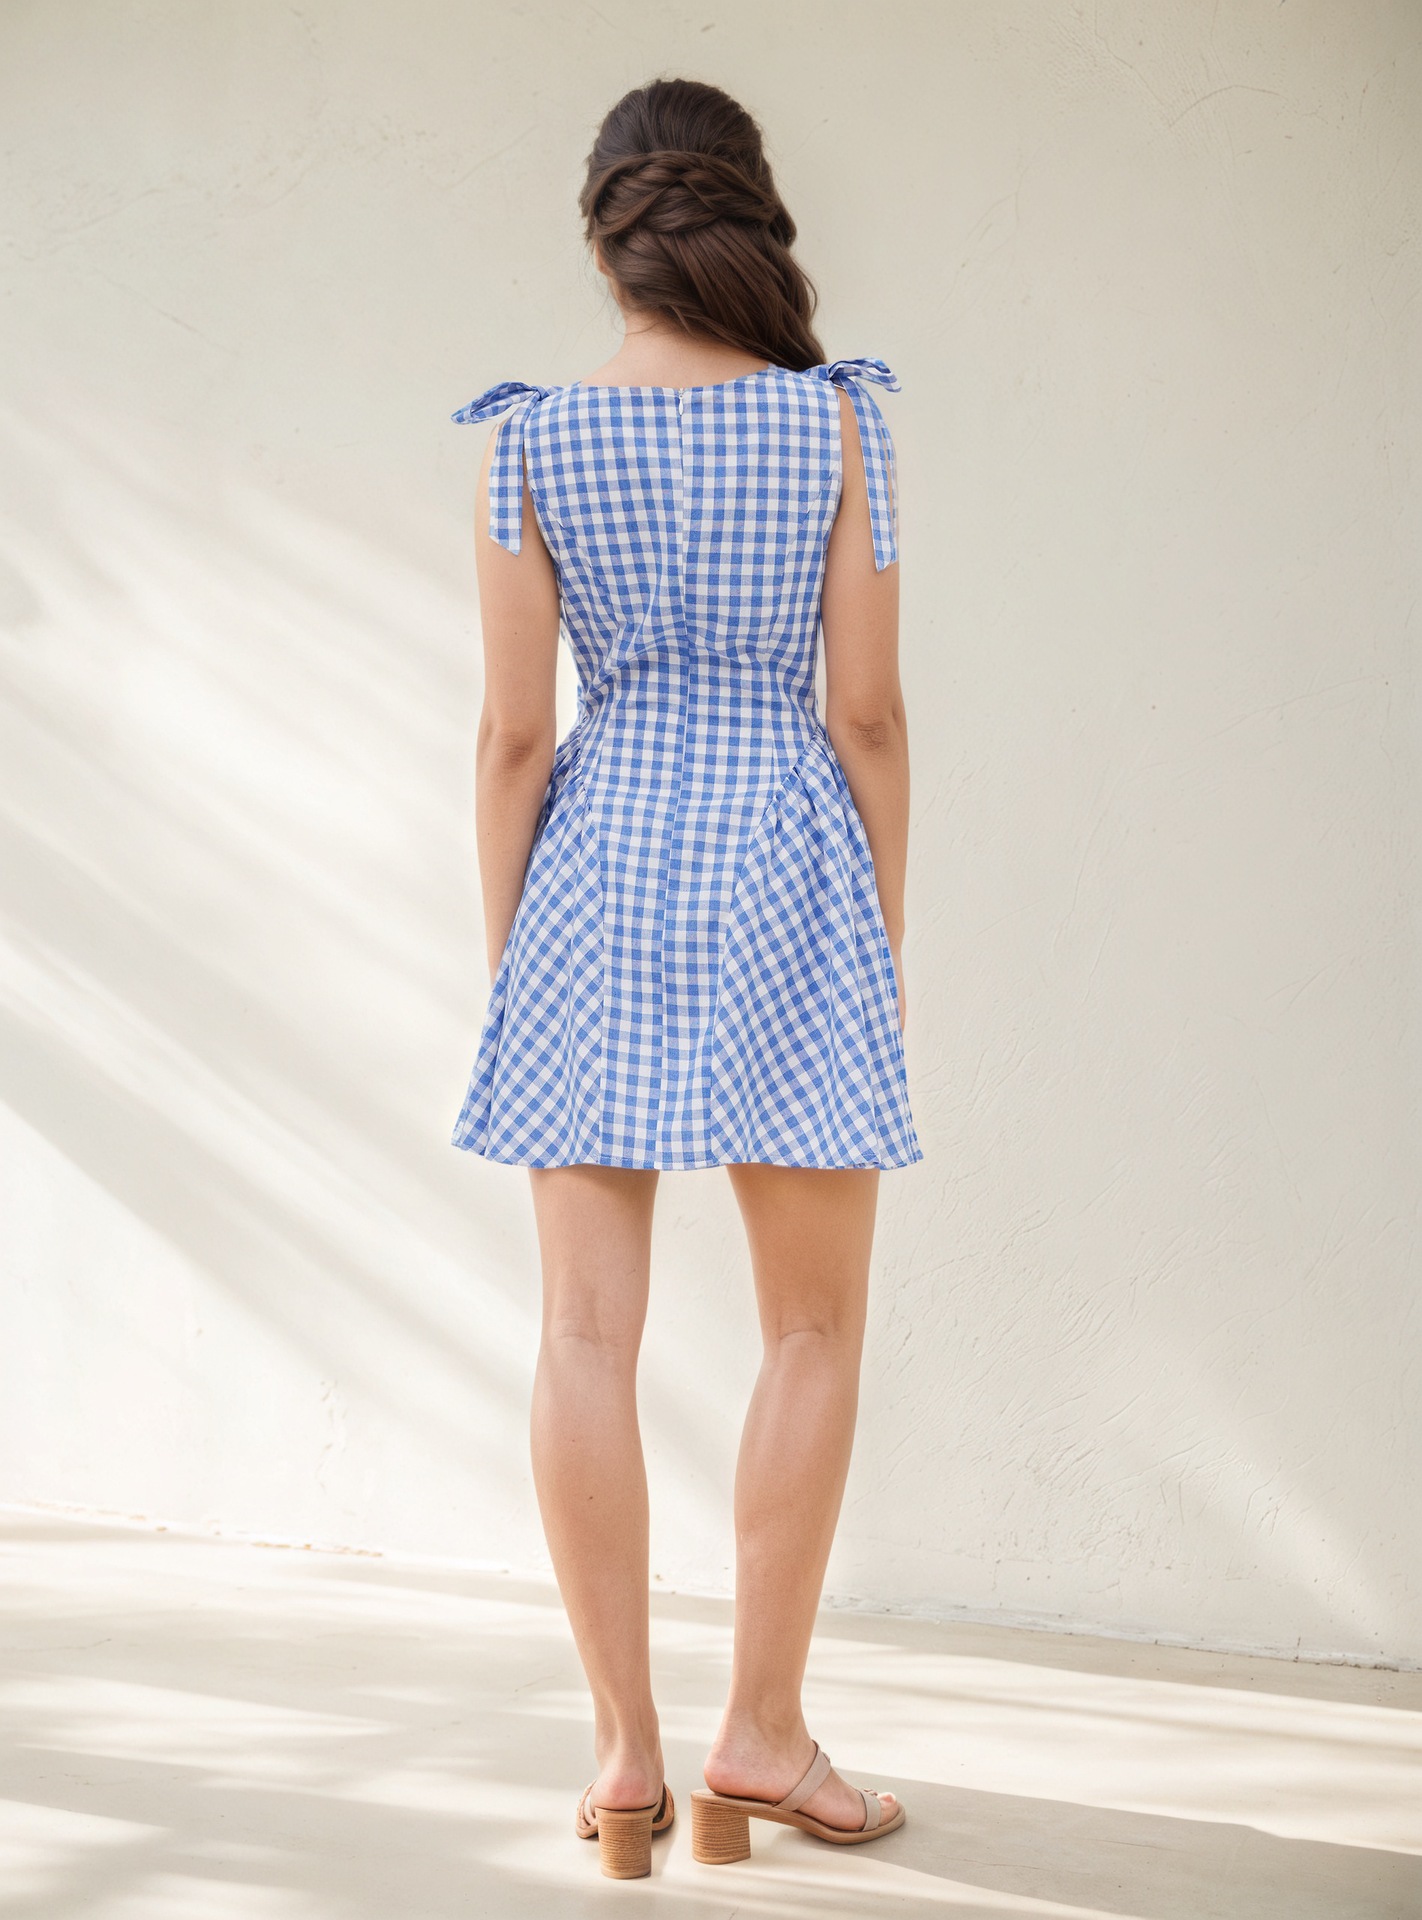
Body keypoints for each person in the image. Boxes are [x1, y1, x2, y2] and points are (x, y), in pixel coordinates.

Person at [448, 76, 922, 1879]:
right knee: (811, 1328)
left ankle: (627, 1761)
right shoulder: (838, 422)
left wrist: (516, 957)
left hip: (595, 868)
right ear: (751, 216)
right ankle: (764, 1734)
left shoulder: (527, 441)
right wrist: (879, 943)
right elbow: (865, 716)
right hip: (788, 861)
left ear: (604, 242)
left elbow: (513, 738)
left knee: (581, 1332)